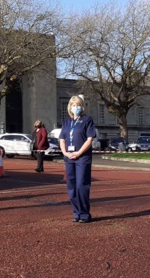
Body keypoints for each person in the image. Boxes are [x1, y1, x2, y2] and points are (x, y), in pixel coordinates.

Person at [59, 95, 97, 223]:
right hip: (69, 157)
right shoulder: (66, 122)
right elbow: (62, 139)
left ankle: (84, 213)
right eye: (74, 105)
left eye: (79, 105)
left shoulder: (87, 120)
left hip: (82, 158)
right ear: (70, 107)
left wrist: (79, 152)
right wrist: (65, 152)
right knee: (72, 186)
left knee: (81, 185)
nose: (76, 107)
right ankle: (76, 213)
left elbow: (90, 139)